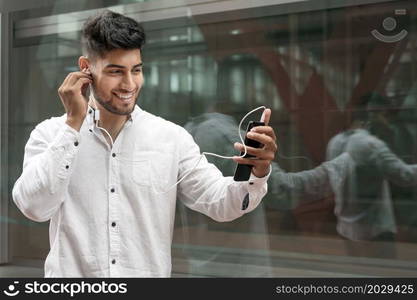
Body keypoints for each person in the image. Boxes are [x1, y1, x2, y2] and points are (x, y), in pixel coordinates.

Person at [11, 10, 278, 277]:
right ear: (85, 68)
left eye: (136, 70)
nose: (129, 84)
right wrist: (72, 126)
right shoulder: (51, 134)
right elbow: (34, 207)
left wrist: (255, 172)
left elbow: (222, 203)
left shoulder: (171, 138)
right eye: (116, 71)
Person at [181, 110, 353, 276]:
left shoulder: (188, 133)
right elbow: (282, 191)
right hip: (238, 268)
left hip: (203, 264)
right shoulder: (222, 135)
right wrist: (344, 164)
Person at [326, 93, 417, 258]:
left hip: (346, 227)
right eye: (384, 115)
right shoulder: (371, 145)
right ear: (373, 115)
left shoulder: (334, 142)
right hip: (374, 228)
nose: (387, 121)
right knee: (384, 276)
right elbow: (405, 176)